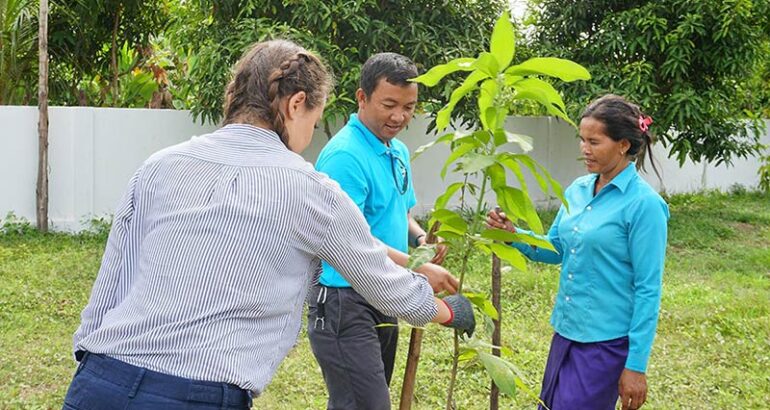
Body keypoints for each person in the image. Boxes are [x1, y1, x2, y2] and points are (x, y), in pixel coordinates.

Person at [63, 40, 475, 410]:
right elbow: (381, 280)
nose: (312, 132)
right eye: (314, 118)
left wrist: (89, 364)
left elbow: (111, 282)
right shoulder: (307, 187)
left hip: (98, 380)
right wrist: (445, 311)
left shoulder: (158, 166)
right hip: (198, 393)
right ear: (296, 104)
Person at [487, 95, 669, 410]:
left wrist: (636, 365)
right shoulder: (579, 189)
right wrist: (513, 235)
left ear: (623, 144)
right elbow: (556, 248)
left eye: (594, 142)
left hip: (606, 345)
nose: (584, 149)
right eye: (582, 140)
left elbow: (648, 289)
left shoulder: (644, 205)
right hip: (566, 334)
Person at [307, 52, 454, 410]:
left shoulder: (397, 149)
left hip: (384, 291)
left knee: (361, 401)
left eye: (409, 107)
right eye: (389, 104)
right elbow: (348, 240)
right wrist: (415, 266)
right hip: (345, 299)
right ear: (362, 97)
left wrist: (420, 240)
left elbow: (399, 210)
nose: (399, 117)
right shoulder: (345, 156)